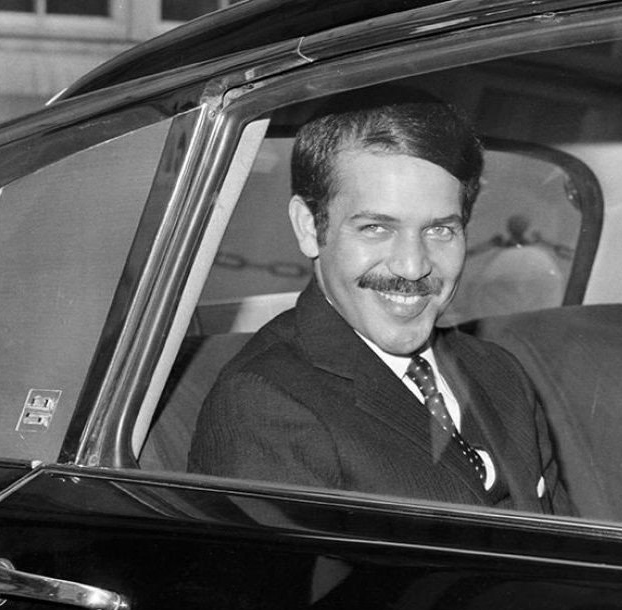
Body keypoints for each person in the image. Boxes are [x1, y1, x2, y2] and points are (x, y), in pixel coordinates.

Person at [188, 87, 571, 515]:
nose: (412, 267)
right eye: (375, 228)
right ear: (310, 227)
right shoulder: (265, 405)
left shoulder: (500, 372)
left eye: (440, 230)